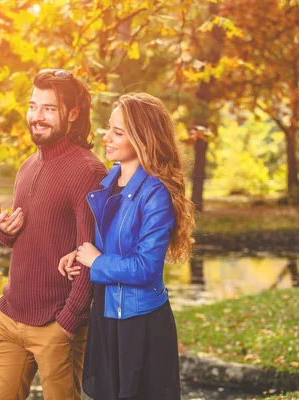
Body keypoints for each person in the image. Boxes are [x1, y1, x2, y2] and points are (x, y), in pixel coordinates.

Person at [59, 92, 195, 400]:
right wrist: (80, 254)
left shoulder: (155, 193)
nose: (106, 137)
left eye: (118, 132)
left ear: (143, 139)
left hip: (140, 324)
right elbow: (107, 243)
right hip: (106, 315)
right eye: (109, 128)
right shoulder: (108, 183)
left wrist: (97, 262)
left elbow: (146, 268)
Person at [0, 69, 108, 400]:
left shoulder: (89, 171)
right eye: (32, 106)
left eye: (48, 109)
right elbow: (29, 235)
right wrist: (5, 231)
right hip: (11, 319)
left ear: (72, 113)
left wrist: (68, 321)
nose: (36, 118)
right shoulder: (27, 166)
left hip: (57, 325)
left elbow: (92, 252)